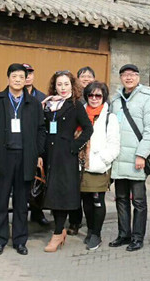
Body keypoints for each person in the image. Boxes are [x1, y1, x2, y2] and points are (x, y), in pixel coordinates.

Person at [0, 64, 46, 256]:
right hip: (3, 157)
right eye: (15, 76)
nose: (18, 80)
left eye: (22, 76)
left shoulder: (34, 103)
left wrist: (38, 153)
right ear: (8, 78)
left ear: (26, 79)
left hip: (25, 157)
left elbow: (40, 130)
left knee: (22, 203)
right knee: (0, 202)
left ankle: (20, 241)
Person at [109, 64, 150, 252]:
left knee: (138, 200)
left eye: (132, 74)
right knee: (121, 198)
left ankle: (138, 237)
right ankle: (123, 234)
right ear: (120, 77)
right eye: (125, 75)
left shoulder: (148, 99)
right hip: (119, 157)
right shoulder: (115, 101)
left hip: (137, 158)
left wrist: (141, 154)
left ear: (138, 77)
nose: (128, 78)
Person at [42, 70, 93, 252]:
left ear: (72, 85)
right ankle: (59, 230)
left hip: (66, 156)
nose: (62, 88)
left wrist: (74, 146)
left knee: (61, 194)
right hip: (49, 154)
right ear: (54, 86)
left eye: (66, 84)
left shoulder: (75, 105)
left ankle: (57, 234)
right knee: (50, 192)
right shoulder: (48, 105)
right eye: (59, 84)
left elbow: (88, 129)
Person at [80, 81, 120, 251]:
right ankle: (90, 229)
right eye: (91, 95)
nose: (94, 99)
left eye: (98, 95)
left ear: (104, 97)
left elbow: (114, 144)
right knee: (86, 201)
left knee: (97, 200)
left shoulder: (109, 117)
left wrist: (102, 160)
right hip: (81, 165)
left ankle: (96, 233)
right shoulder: (80, 113)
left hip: (98, 166)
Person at [68, 66, 97, 235]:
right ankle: (75, 221)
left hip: (93, 152)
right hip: (75, 150)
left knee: (90, 192)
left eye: (89, 76)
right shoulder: (74, 99)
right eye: (82, 76)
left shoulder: (98, 97)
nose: (86, 79)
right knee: (75, 190)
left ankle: (93, 226)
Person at [23, 63, 49, 227]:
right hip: (20, 145)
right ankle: (21, 212)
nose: (27, 76)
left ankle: (37, 212)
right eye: (23, 73)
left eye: (30, 73)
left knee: (38, 179)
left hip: (38, 145)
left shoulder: (42, 97)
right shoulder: (14, 95)